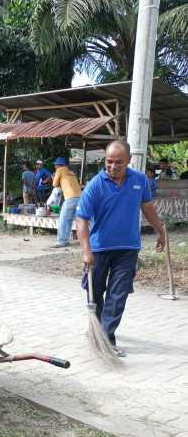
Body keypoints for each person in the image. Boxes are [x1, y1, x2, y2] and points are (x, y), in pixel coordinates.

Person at [76, 141, 165, 357]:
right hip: (99, 249)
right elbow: (81, 220)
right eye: (108, 161)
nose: (113, 166)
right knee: (94, 293)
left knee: (119, 294)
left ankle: (106, 338)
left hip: (128, 248)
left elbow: (147, 207)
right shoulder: (96, 184)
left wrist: (160, 230)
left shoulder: (139, 180)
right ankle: (96, 330)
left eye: (118, 162)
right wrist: (86, 250)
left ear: (128, 161)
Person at [52, 157, 81, 248]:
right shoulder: (72, 172)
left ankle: (61, 241)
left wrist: (53, 178)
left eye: (55, 165)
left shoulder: (60, 170)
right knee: (78, 220)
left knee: (63, 220)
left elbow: (54, 184)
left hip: (70, 198)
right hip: (80, 198)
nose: (55, 166)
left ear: (58, 165)